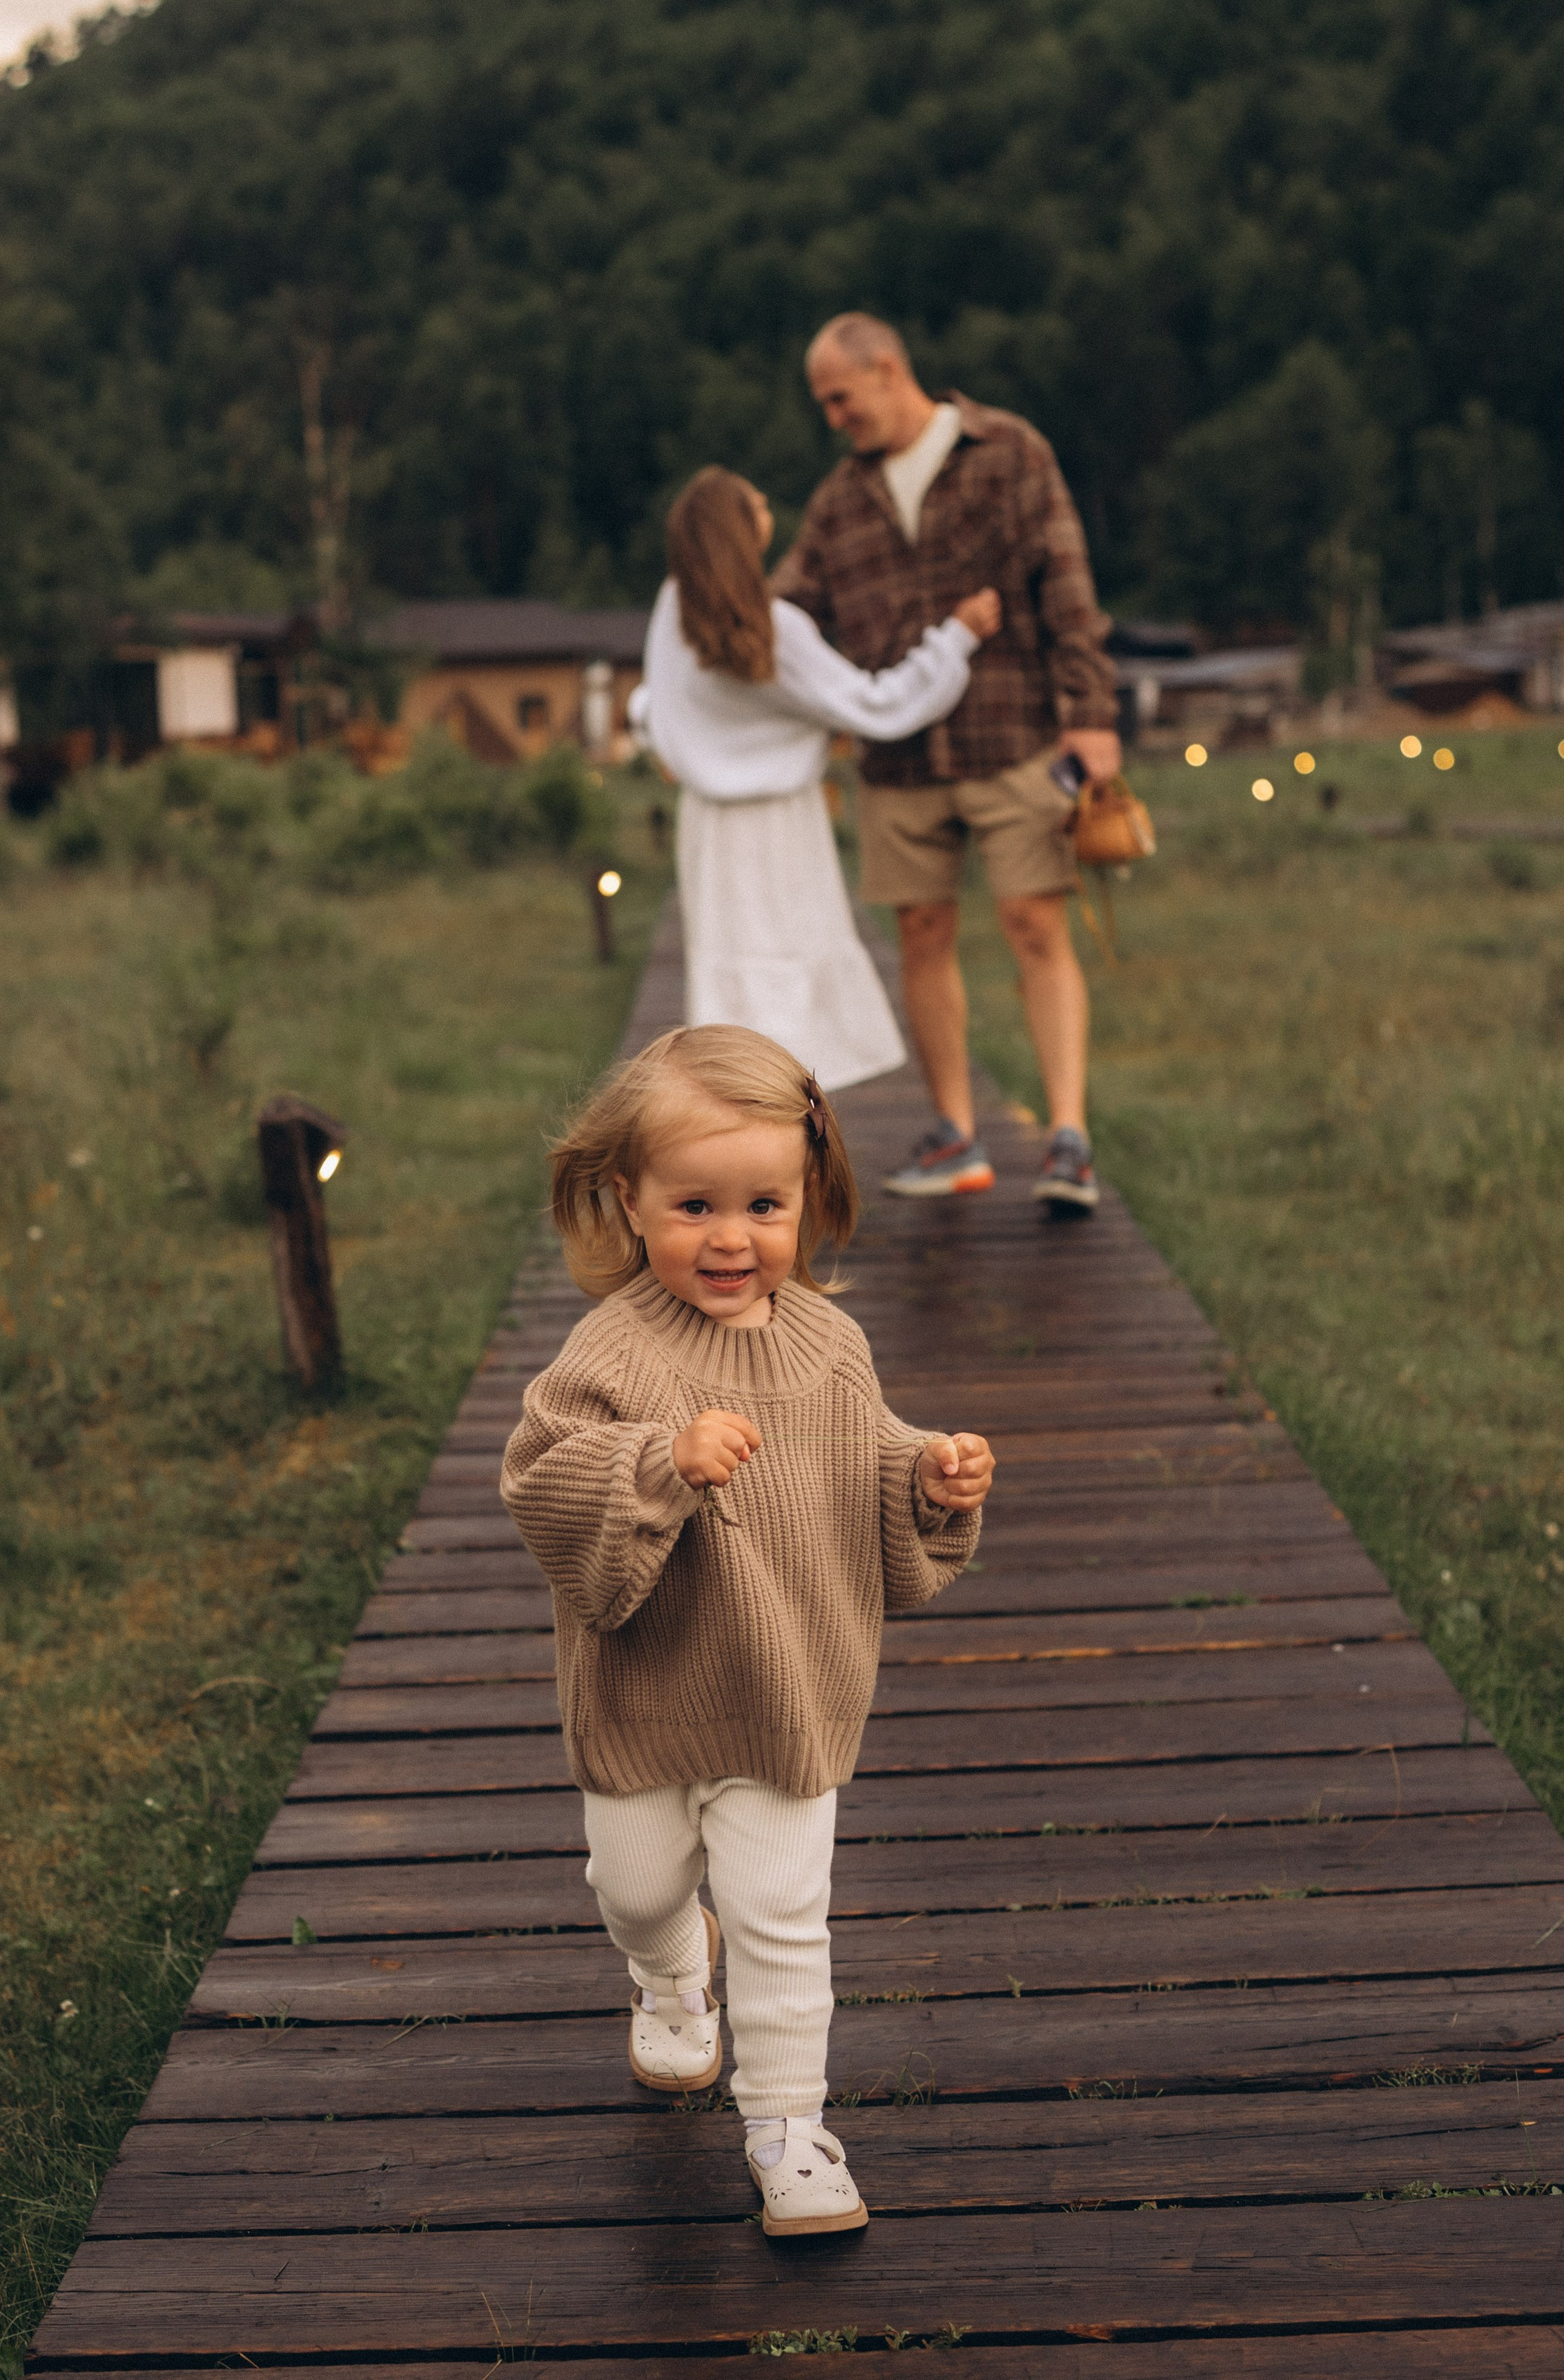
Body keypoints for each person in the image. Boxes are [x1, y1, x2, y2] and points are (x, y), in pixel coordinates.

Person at [500, 1024, 992, 2238]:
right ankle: (672, 1969)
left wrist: (927, 1479)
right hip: (647, 1695)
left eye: (764, 1205)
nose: (732, 1238)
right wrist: (659, 1463)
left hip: (784, 1691)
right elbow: (543, 1479)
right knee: (636, 1888)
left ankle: (789, 2130)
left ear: (809, 1195)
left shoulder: (829, 1345)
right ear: (629, 1200)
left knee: (783, 1917)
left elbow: (862, 1459)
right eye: (696, 1206)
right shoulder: (610, 1352)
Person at [775, 313, 1122, 1213]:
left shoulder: (1009, 451)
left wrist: (1091, 716)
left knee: (1035, 926)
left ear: (888, 368)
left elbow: (1067, 583)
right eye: (824, 405)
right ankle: (956, 1135)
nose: (833, 419)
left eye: (839, 398)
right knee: (921, 937)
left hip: (1013, 735)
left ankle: (1069, 1139)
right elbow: (783, 613)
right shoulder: (836, 502)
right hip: (896, 763)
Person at [634, 464, 1000, 1092]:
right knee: (790, 965)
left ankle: (736, 1106)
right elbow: (879, 706)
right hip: (781, 824)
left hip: (709, 829)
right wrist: (956, 639)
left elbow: (653, 705)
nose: (768, 511)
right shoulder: (777, 631)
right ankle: (794, 1122)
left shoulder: (672, 614)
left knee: (731, 972)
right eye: (757, 504)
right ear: (741, 530)